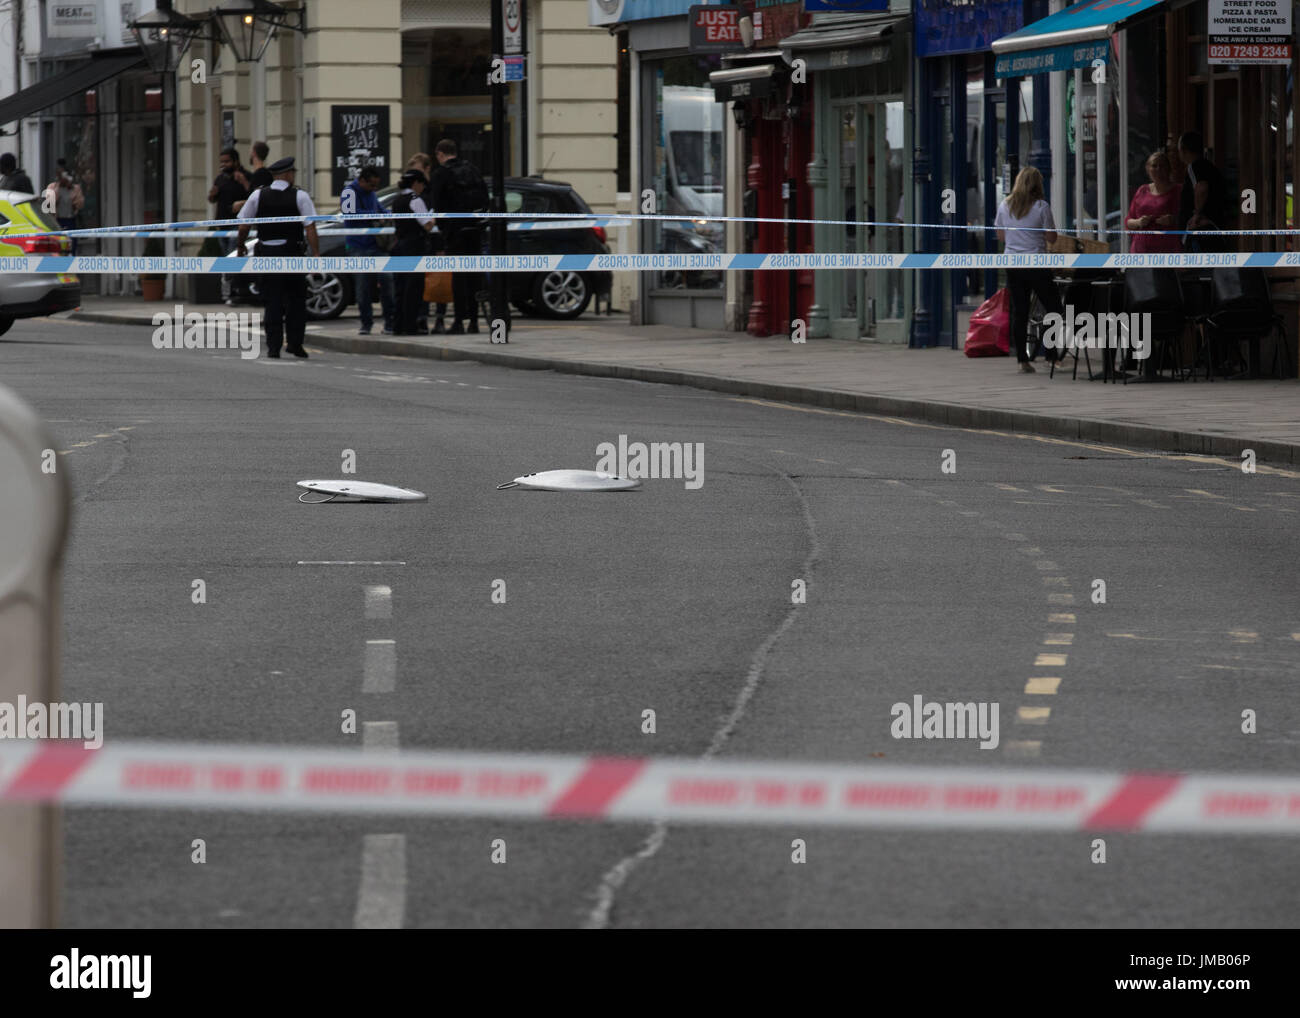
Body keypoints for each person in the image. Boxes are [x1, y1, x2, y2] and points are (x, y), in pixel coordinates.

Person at [236, 157, 320, 359]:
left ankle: (273, 347)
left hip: (267, 255)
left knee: (272, 302)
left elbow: (243, 225)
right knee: (296, 301)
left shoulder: (258, 195)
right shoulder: (300, 196)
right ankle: (295, 344)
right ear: (288, 174)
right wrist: (316, 255)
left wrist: (240, 246)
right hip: (292, 254)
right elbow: (310, 228)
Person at [995, 166, 1064, 374]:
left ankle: (1022, 361)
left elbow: (1000, 236)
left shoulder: (1005, 205)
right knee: (1054, 308)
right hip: (1036, 264)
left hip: (1014, 264)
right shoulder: (1041, 207)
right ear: (1037, 185)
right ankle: (1051, 355)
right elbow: (1051, 237)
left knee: (1020, 312)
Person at [429, 138, 488, 334]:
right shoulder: (472, 169)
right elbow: (485, 199)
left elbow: (437, 206)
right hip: (474, 230)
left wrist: (444, 229)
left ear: (440, 154)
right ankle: (474, 321)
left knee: (458, 278)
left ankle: (458, 322)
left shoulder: (441, 173)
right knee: (473, 277)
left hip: (455, 232)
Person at [342, 165, 396, 335]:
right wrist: (375, 216)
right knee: (362, 286)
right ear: (362, 180)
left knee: (388, 282)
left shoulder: (372, 194)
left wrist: (391, 215)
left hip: (376, 245)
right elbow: (350, 213)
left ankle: (390, 322)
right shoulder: (349, 192)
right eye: (372, 185)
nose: (374, 189)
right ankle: (366, 323)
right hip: (358, 246)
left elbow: (382, 211)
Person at [390, 168, 436, 334]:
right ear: (416, 183)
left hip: (399, 246)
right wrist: (433, 216)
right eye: (422, 183)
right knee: (414, 288)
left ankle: (398, 325)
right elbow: (427, 225)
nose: (423, 187)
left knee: (400, 287)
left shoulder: (397, 200)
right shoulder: (415, 200)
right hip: (414, 246)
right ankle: (410, 326)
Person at [1177, 132, 1228, 253]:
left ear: (1183, 150)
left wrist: (1196, 215)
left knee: (1197, 269)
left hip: (1200, 230)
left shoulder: (1194, 167)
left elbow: (1202, 187)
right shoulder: (1211, 168)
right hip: (1214, 229)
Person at [1126, 151, 1182, 254]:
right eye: (1154, 166)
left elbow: (1189, 219)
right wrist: (1139, 222)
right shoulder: (1142, 190)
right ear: (1148, 169)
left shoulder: (1178, 191)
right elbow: (1128, 221)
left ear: (1168, 169)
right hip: (1141, 250)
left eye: (1162, 166)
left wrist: (1173, 220)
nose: (1158, 169)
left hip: (1168, 251)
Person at [43, 159, 85, 253]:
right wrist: (59, 187)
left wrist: (71, 189)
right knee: (58, 246)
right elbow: (48, 204)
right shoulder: (52, 187)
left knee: (71, 246)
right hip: (56, 221)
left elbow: (80, 205)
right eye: (60, 174)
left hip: (70, 220)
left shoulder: (75, 188)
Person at [208, 148, 250, 220]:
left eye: (227, 161)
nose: (223, 164)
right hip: (221, 222)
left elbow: (253, 196)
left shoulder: (247, 176)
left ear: (236, 162)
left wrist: (244, 182)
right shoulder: (220, 178)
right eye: (222, 162)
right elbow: (212, 200)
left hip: (238, 222)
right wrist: (212, 195)